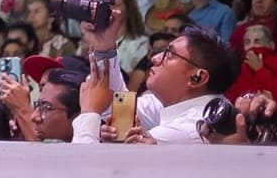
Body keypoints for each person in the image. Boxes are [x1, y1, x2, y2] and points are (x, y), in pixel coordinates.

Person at [77, 24, 238, 143]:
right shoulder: (175, 103)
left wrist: (89, 113)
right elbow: (116, 106)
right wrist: (104, 47)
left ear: (198, 78)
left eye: (170, 54)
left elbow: (87, 169)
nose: (154, 58)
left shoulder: (188, 129)